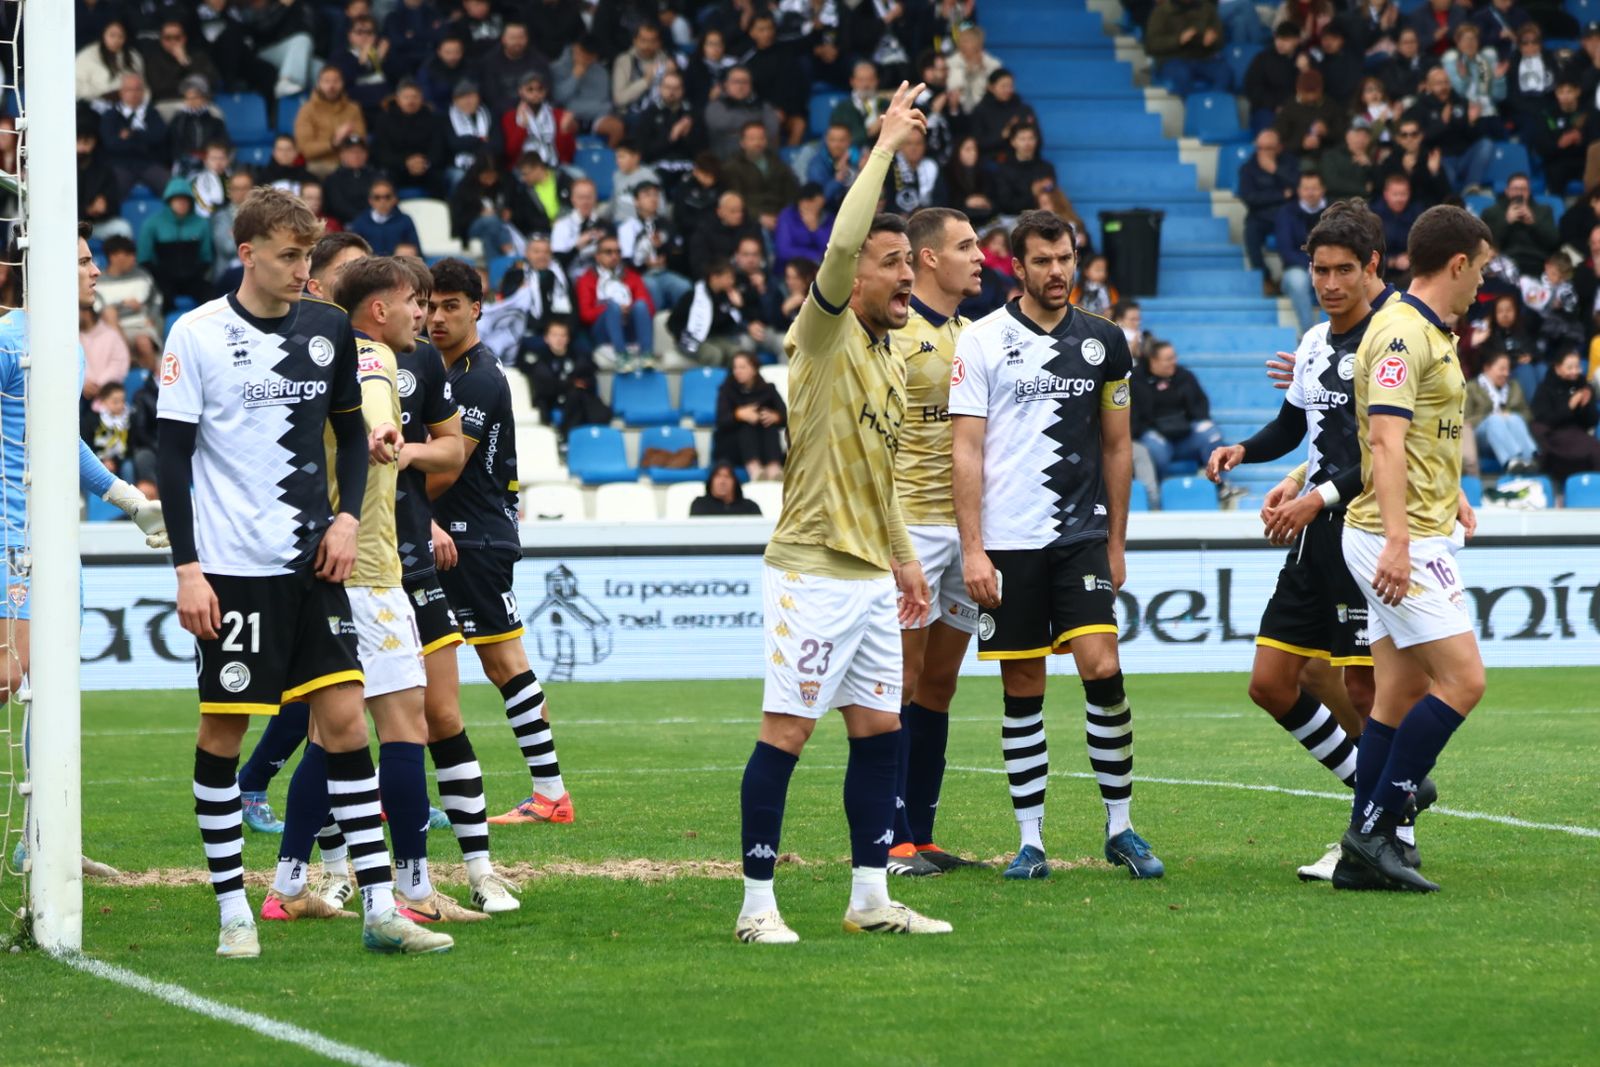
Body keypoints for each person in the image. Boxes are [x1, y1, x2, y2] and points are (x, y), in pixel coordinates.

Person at [156, 188, 443, 955]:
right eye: (287, 257)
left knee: (347, 721)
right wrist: (188, 569)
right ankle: (232, 910)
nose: (301, 272)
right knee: (222, 731)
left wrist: (347, 519)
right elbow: (172, 460)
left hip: (314, 562)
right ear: (246, 253)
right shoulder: (198, 334)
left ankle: (381, 908)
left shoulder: (327, 331)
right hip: (231, 568)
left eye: (307, 257)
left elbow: (351, 434)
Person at [734, 81, 949, 945]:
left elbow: (882, 475)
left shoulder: (892, 358)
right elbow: (843, 236)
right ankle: (755, 906)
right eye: (893, 262)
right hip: (810, 568)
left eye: (911, 263)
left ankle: (869, 895)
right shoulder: (820, 337)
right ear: (854, 270)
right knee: (787, 730)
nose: (908, 275)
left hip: (866, 573)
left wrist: (900, 556)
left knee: (880, 730)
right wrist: (887, 144)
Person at [264, 256, 478, 930]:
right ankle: (414, 889)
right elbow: (374, 436)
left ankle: (288, 882)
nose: (425, 314)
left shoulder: (309, 357)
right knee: (403, 728)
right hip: (370, 573)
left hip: (324, 570)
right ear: (380, 310)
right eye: (415, 301)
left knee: (331, 738)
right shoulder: (374, 364)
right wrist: (384, 438)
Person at [950, 209, 1162, 883]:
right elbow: (966, 449)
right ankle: (1031, 839)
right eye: (1042, 260)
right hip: (1008, 542)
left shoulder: (1106, 342)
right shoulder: (980, 341)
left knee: (1102, 666)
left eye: (1065, 257)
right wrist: (973, 550)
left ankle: (1121, 826)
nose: (1057, 270)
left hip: (1081, 535)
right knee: (1023, 684)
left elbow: (1119, 444)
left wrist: (1118, 542)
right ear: (1017, 267)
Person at [1206, 201, 1399, 880]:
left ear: (1372, 266)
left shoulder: (1390, 341)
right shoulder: (1316, 340)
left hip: (1365, 527)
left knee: (1367, 691)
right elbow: (1294, 427)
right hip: (1314, 533)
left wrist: (1316, 495)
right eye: (1319, 269)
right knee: (1271, 681)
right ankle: (1384, 803)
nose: (1330, 282)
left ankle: (1379, 832)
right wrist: (1242, 448)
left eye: (1344, 269)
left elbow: (1381, 454)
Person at [1, 226, 167, 879]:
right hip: (10, 534)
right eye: (80, 262)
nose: (95, 272)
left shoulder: (64, 348)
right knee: (13, 675)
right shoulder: (11, 340)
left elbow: (61, 439)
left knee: (55, 685)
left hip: (55, 534)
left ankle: (44, 836)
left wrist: (129, 499)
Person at [1334, 203, 1491, 892]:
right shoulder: (1402, 334)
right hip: (1393, 537)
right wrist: (1400, 538)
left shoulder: (1424, 329)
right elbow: (1385, 440)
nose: (1482, 285)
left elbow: (1422, 433)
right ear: (1456, 263)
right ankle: (1374, 828)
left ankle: (1362, 855)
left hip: (1409, 528)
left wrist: (1448, 489)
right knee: (1464, 680)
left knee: (1397, 692)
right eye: (1480, 271)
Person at [425, 258, 574, 826]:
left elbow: (448, 469)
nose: (437, 318)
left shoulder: (479, 377)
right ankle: (546, 792)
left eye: (450, 307)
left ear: (476, 308)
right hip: (460, 537)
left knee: (504, 664)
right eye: (432, 306)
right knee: (474, 666)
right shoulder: (446, 374)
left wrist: (392, 496)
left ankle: (550, 794)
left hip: (470, 541)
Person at [878, 206, 989, 879]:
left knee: (941, 684)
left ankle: (920, 831)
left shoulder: (975, 334)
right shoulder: (895, 333)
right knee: (903, 680)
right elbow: (877, 441)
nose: (980, 256)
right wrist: (895, 545)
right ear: (926, 258)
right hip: (912, 529)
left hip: (966, 528)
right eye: (966, 246)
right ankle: (890, 836)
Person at [1130, 340, 1225, 481]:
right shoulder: (1135, 380)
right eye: (1168, 359)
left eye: (1174, 357)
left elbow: (1201, 406)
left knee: (1212, 434)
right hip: (1154, 434)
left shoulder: (1184, 376)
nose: (1173, 362)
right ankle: (1159, 493)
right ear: (1153, 361)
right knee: (1157, 451)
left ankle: (1220, 485)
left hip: (1185, 434)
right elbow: (1134, 418)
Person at [576, 234, 655, 371]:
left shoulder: (631, 276)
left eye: (618, 252)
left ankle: (646, 354)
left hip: (629, 326)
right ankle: (621, 355)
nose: (614, 256)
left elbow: (649, 308)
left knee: (641, 305)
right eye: (609, 252)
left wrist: (628, 309)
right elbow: (585, 314)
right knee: (612, 306)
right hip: (603, 330)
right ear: (597, 256)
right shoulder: (586, 279)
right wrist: (611, 308)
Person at [519, 318, 609, 435]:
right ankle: (567, 437)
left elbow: (589, 381)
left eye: (563, 335)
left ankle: (572, 438)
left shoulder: (578, 357)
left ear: (568, 338)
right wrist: (570, 384)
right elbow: (544, 387)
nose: (559, 339)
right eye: (555, 335)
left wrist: (568, 384)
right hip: (552, 403)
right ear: (546, 338)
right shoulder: (540, 359)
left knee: (579, 397)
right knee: (575, 394)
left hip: (576, 400)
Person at [138, 176, 214, 308]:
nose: (182, 203)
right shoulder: (152, 223)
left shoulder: (201, 223)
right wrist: (160, 275)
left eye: (185, 200)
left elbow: (206, 257)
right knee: (162, 299)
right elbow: (144, 259)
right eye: (177, 200)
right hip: (164, 278)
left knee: (211, 296)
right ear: (169, 201)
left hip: (193, 277)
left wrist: (195, 273)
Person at [712, 350, 786, 479]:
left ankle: (774, 469)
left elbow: (785, 417)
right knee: (746, 426)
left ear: (754, 369)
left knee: (769, 425)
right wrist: (738, 415)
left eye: (742, 367)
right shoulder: (726, 390)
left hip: (763, 444)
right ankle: (755, 471)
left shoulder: (768, 389)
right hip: (732, 447)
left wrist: (776, 417)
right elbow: (721, 421)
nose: (737, 371)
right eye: (735, 367)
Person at [1531, 349, 1600, 483]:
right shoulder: (1545, 388)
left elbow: (1591, 421)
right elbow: (1544, 420)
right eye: (1569, 367)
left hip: (1578, 433)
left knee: (1595, 449)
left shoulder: (1583, 386)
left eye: (1577, 367)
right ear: (1558, 368)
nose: (1574, 371)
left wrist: (1586, 405)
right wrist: (1570, 406)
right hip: (1553, 435)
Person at [1466, 350, 1540, 473]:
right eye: (1501, 369)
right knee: (1495, 420)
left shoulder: (1514, 386)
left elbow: (1527, 414)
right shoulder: (1472, 388)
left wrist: (1509, 415)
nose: (1506, 373)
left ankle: (1528, 459)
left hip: (1511, 431)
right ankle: (1512, 461)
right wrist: (1491, 417)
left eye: (1508, 369)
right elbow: (1464, 419)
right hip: (1481, 437)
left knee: (1514, 418)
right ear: (1487, 368)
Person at [1145, 0, 1232, 96]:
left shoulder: (1207, 8)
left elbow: (1219, 38)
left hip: (1203, 57)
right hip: (1173, 58)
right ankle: (1191, 107)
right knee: (1181, 75)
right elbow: (1152, 44)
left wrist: (1212, 39)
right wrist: (1178, 40)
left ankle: (1212, 104)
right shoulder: (1162, 11)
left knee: (1224, 72)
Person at [294, 66, 368, 179]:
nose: (331, 86)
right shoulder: (307, 110)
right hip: (319, 165)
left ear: (342, 83)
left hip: (349, 164)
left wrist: (349, 140)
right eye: (326, 81)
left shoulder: (353, 108)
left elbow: (361, 139)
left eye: (336, 81)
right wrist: (333, 143)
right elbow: (305, 149)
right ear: (318, 84)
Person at [1276, 170, 1327, 333]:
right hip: (1297, 268)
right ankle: (1309, 336)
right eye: (1306, 188)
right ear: (1298, 190)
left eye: (1314, 188)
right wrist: (1312, 266)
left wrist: (1323, 266)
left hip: (1330, 266)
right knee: (1297, 281)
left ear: (1323, 189)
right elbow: (1285, 250)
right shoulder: (1285, 213)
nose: (1310, 193)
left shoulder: (1335, 212)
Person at [1482, 173, 1559, 276]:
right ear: (1507, 191)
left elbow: (1554, 242)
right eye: (1515, 189)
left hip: (1537, 263)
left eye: (1523, 189)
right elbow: (1486, 244)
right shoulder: (1492, 212)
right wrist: (1506, 222)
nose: (1519, 193)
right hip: (1503, 263)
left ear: (1529, 192)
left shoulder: (1544, 211)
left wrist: (1533, 223)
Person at [1244, 22, 1301, 131]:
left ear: (1297, 40)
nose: (1280, 43)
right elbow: (1252, 88)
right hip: (1265, 109)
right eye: (1278, 39)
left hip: (1295, 109)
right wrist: (1275, 106)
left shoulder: (1304, 59)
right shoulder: (1262, 58)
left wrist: (1304, 71)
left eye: (1286, 40)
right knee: (1271, 131)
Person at [349, 179, 422, 257]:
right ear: (370, 200)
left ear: (395, 199)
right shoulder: (360, 222)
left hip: (398, 266)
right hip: (370, 267)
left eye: (387, 197)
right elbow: (353, 251)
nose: (382, 201)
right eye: (377, 197)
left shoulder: (405, 221)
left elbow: (417, 251)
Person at [690, 462, 762, 516]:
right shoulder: (700, 505)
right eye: (718, 476)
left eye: (727, 476)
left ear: (735, 482)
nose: (722, 481)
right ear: (711, 481)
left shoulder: (750, 507)